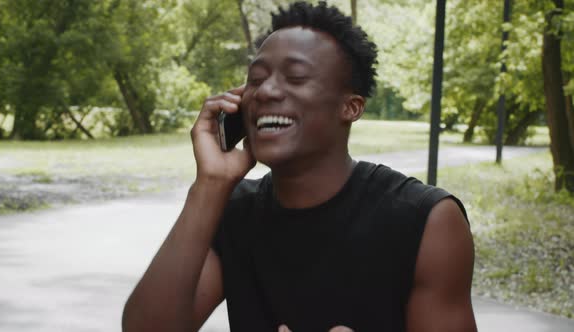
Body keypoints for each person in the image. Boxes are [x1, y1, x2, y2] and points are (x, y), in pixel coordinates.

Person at [122, 1, 477, 331]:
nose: (264, 92)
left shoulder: (425, 220)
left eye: (295, 77)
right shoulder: (234, 212)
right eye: (256, 79)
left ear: (350, 107)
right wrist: (211, 183)